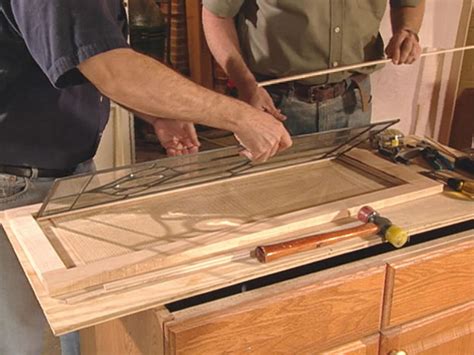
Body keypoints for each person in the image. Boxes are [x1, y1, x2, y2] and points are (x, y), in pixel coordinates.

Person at [0, 1, 292, 354]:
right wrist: (241, 117)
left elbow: (88, 56)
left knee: (84, 328)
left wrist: (155, 112)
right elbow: (112, 68)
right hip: (14, 185)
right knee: (26, 340)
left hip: (63, 174)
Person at [202, 0, 425, 135]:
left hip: (354, 102)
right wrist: (245, 84)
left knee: (347, 201)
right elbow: (216, 16)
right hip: (274, 104)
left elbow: (409, 3)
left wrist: (407, 30)